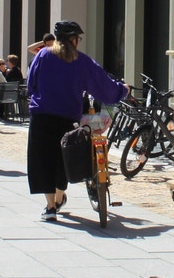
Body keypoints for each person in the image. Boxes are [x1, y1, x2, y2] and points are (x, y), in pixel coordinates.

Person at [26, 20, 128, 220]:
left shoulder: (42, 55)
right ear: (73, 40)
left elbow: (31, 83)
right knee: (64, 160)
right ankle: (59, 197)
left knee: (43, 160)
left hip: (42, 115)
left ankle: (50, 208)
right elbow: (102, 84)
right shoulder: (81, 61)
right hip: (67, 118)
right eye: (77, 38)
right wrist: (122, 90)